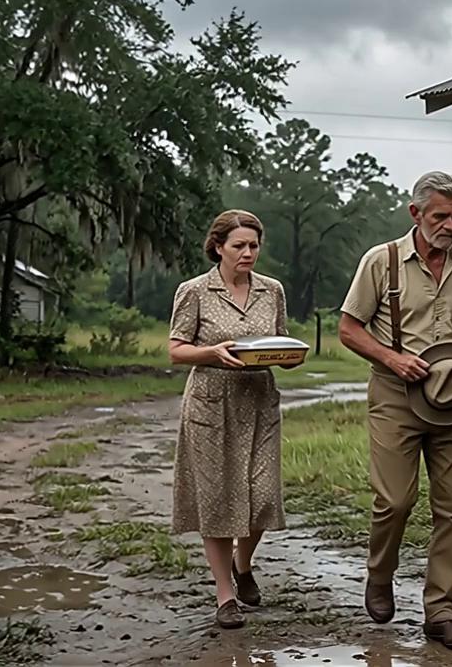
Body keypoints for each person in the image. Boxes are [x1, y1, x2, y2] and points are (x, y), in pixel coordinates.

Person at [338, 171, 452, 650]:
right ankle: (380, 574)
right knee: (395, 501)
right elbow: (348, 328)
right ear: (416, 214)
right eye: (439, 216)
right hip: (395, 397)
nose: (449, 225)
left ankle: (441, 612)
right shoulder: (381, 262)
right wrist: (391, 357)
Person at [168, 209, 294, 629]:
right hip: (210, 403)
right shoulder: (195, 291)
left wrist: (288, 358)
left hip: (259, 401)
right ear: (218, 246)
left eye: (254, 245)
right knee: (218, 499)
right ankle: (225, 596)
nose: (248, 253)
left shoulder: (271, 291)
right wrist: (211, 353)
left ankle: (244, 563)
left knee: (262, 497)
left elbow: (279, 340)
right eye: (238, 245)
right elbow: (176, 349)